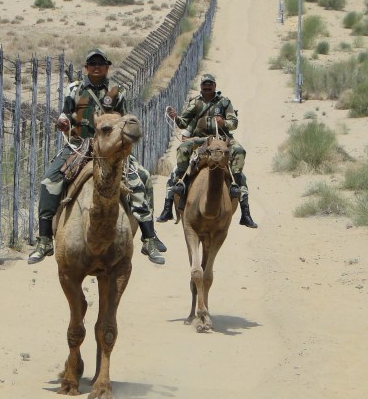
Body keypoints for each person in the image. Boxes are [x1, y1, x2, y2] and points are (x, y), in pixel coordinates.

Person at [28, 48, 167, 265]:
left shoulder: (116, 92)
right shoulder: (75, 89)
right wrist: (63, 121)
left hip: (108, 146)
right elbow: (66, 112)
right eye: (92, 64)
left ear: (107, 67)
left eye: (100, 64)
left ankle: (149, 237)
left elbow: (123, 119)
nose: (96, 67)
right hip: (79, 144)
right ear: (86, 67)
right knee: (49, 179)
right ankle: (44, 239)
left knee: (142, 177)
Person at [156, 73, 258, 228]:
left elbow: (234, 122)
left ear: (215, 86)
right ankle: (175, 193)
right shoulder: (195, 102)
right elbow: (183, 123)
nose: (207, 86)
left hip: (222, 139)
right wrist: (175, 117)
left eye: (210, 84)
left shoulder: (224, 102)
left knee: (240, 151)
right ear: (201, 86)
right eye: (205, 84)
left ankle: (240, 197)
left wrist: (223, 122)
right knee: (182, 149)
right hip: (201, 139)